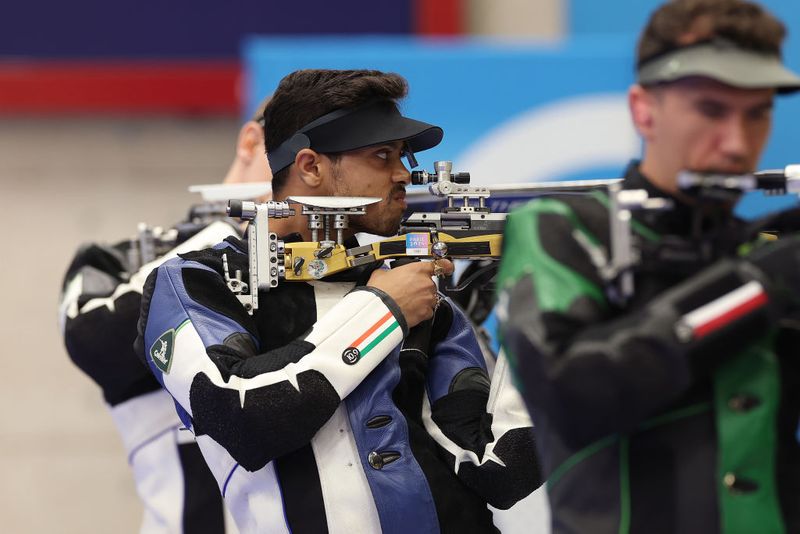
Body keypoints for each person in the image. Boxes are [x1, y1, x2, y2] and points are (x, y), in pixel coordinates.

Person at [135, 69, 541, 534]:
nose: (403, 174)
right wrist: (383, 311)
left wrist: (538, 309)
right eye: (382, 155)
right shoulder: (198, 281)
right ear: (310, 166)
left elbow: (502, 472)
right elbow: (243, 420)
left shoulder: (416, 292)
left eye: (403, 157)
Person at [496, 1, 800, 532]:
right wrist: (761, 285)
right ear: (643, 110)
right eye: (711, 110)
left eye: (758, 113)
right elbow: (573, 394)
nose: (738, 143)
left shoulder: (765, 248)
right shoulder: (563, 229)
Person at [58, 103, 271, 534]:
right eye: (302, 157)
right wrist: (238, 239)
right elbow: (95, 340)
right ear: (251, 141)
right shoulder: (119, 262)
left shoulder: (353, 270)